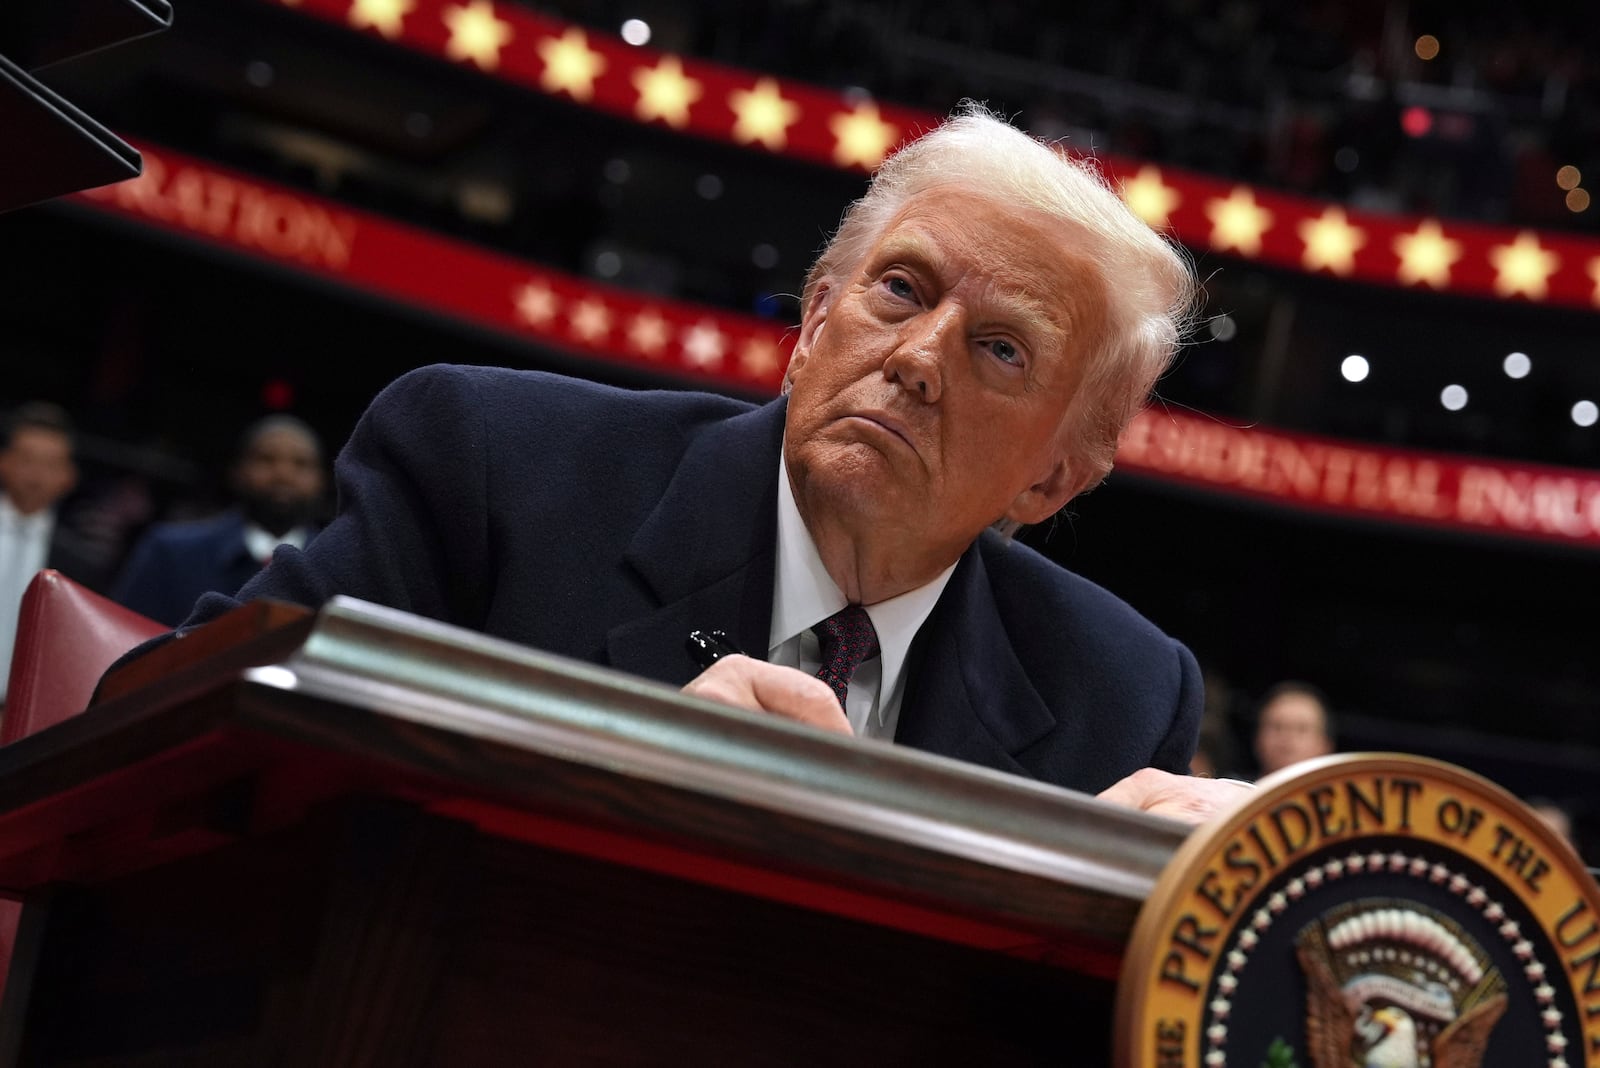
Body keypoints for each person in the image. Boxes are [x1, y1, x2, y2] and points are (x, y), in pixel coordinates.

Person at [120, 105, 1248, 822]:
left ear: (1056, 476)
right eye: (900, 290)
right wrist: (605, 758)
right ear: (813, 327)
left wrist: (1206, 916)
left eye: (1001, 349)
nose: (915, 359)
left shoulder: (1120, 692)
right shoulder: (490, 466)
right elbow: (147, 732)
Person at [110, 415, 326, 626]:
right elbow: (123, 639)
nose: (283, 474)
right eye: (266, 459)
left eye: (301, 464)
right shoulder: (170, 553)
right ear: (237, 472)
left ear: (322, 480)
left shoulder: (337, 569)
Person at [0, 402, 99, 701]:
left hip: (24, 713)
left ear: (68, 476)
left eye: (50, 464)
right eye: (26, 460)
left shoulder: (82, 563)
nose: (36, 475)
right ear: (4, 461)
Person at [1251, 680, 1335, 778]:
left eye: (1301, 729)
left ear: (1325, 744)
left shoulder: (1344, 793)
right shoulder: (1235, 792)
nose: (1287, 737)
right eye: (1277, 727)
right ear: (1258, 738)